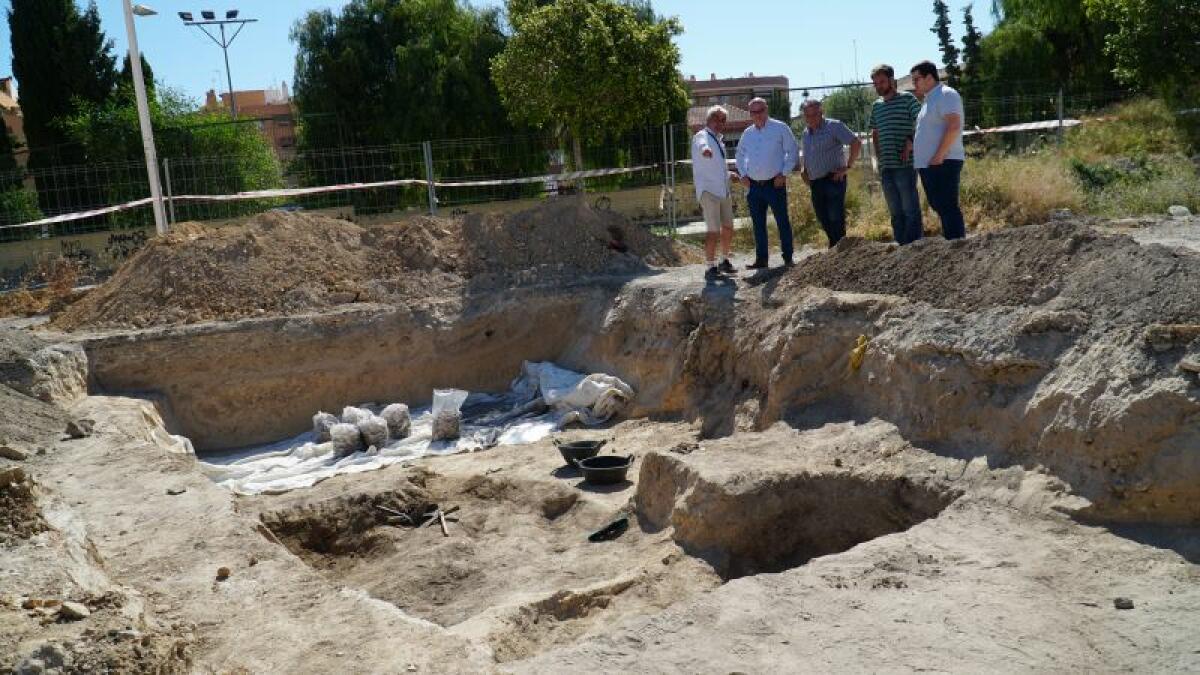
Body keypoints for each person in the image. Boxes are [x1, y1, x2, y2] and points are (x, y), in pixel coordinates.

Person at [735, 97, 799, 268]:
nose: (757, 115)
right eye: (753, 112)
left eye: (760, 110)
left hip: (775, 184)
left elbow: (792, 151)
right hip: (754, 187)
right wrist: (743, 175)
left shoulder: (780, 128)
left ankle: (788, 258)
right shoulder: (747, 133)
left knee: (782, 221)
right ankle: (761, 260)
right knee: (758, 224)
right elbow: (739, 155)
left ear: (766, 109)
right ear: (750, 114)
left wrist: (784, 173)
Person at [910, 60, 966, 240]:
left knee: (948, 206)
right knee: (939, 205)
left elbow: (954, 125)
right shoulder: (928, 100)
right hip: (931, 164)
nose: (914, 84)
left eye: (916, 79)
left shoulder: (946, 94)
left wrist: (939, 155)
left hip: (944, 162)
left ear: (928, 77)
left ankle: (957, 245)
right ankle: (952, 243)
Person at [868, 64, 924, 245]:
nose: (878, 86)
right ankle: (901, 247)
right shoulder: (876, 106)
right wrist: (878, 157)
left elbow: (922, 124)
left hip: (905, 165)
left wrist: (910, 140)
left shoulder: (908, 99)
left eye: (882, 82)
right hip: (887, 167)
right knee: (895, 211)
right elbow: (874, 132)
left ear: (892, 81)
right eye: (875, 83)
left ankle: (916, 247)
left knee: (910, 208)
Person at [798, 99, 862, 247]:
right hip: (815, 182)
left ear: (821, 113)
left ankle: (839, 249)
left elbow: (855, 142)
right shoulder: (806, 133)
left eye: (815, 114)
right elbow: (808, 154)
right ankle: (836, 247)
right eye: (807, 115)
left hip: (833, 179)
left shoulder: (834, 126)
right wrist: (804, 169)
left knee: (835, 216)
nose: (811, 118)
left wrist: (848, 166)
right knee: (822, 216)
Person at [691, 105, 739, 276]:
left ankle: (724, 261)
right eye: (717, 119)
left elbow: (717, 167)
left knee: (728, 227)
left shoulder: (719, 140)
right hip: (708, 191)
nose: (720, 123)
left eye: (723, 120)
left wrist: (729, 174)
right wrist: (705, 150)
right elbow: (702, 146)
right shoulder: (702, 136)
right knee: (713, 230)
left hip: (723, 190)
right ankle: (710, 267)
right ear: (709, 120)